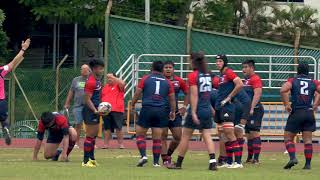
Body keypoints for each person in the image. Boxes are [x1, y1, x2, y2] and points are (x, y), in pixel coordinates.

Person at [168, 52, 217, 171]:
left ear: (193, 61)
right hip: (206, 109)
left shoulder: (193, 75)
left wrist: (193, 112)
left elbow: (194, 95)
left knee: (185, 136)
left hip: (197, 109)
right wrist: (211, 109)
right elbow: (208, 94)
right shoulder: (207, 74)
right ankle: (213, 161)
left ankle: (178, 163)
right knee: (207, 135)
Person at [132, 61, 176, 167]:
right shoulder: (167, 82)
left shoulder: (146, 78)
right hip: (161, 110)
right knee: (157, 138)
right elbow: (172, 99)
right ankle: (156, 163)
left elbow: (138, 92)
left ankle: (143, 156)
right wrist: (173, 111)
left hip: (147, 108)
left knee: (140, 134)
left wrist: (132, 104)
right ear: (162, 70)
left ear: (152, 68)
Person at [280, 62, 320, 170]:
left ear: (297, 71)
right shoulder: (314, 82)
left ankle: (293, 158)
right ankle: (307, 165)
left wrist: (287, 104)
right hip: (309, 112)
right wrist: (316, 104)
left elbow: (283, 90)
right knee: (308, 140)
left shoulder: (293, 80)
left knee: (288, 137)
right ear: (308, 71)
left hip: (297, 112)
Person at [215, 54, 243, 168]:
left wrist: (229, 98)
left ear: (225, 62)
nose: (217, 63)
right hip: (221, 107)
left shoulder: (228, 72)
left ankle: (238, 162)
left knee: (230, 134)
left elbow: (240, 84)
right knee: (225, 135)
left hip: (228, 107)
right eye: (216, 61)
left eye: (220, 61)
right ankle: (229, 161)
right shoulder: (221, 75)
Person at [0, 38, 30, 145]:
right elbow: (13, 63)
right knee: (4, 120)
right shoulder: (1, 70)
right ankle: (6, 129)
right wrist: (23, 49)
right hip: (1, 101)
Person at [161, 61, 189, 165]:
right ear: (162, 69)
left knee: (178, 137)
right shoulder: (160, 80)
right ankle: (165, 160)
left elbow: (188, 93)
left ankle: (168, 154)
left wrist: (184, 107)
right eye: (166, 67)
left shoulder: (179, 81)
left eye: (170, 67)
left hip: (175, 113)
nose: (168, 69)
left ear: (174, 69)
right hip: (162, 113)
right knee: (162, 137)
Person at [82, 59, 105, 167]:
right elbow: (87, 99)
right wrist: (95, 110)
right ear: (95, 69)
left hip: (95, 110)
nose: (102, 70)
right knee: (90, 136)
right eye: (100, 68)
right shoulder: (91, 82)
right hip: (90, 111)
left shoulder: (97, 81)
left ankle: (92, 158)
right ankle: (85, 161)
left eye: (102, 68)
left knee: (94, 136)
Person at [242, 60, 264, 164]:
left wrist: (251, 107)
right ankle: (250, 157)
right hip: (247, 111)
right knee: (248, 134)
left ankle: (256, 158)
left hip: (255, 110)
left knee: (255, 133)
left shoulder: (255, 78)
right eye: (243, 67)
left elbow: (257, 94)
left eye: (246, 67)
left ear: (252, 68)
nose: (243, 69)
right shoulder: (246, 80)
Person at [64, 64, 91, 148]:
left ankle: (90, 142)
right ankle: (76, 143)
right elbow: (71, 91)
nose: (83, 71)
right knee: (78, 124)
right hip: (78, 106)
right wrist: (67, 102)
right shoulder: (76, 80)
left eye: (85, 69)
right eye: (82, 69)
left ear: (89, 71)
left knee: (90, 125)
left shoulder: (92, 80)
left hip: (89, 106)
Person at [101, 73, 126, 149]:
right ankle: (106, 145)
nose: (109, 79)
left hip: (117, 110)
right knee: (106, 128)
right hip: (106, 110)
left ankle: (121, 144)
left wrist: (114, 77)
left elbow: (122, 83)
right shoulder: (105, 87)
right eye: (108, 77)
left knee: (118, 127)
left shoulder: (119, 86)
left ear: (115, 78)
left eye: (111, 77)